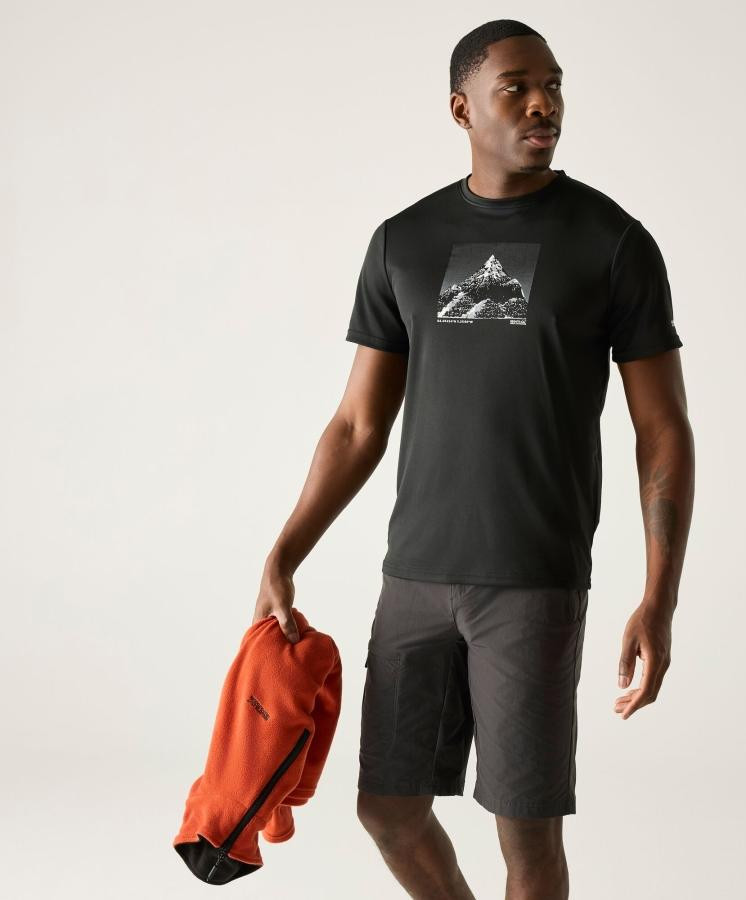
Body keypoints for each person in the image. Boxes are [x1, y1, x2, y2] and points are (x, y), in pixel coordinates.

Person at [253, 18, 695, 900]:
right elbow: (356, 425)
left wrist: (660, 597)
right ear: (462, 109)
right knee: (388, 809)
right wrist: (283, 553)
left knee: (526, 836)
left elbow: (664, 432)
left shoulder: (612, 243)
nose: (543, 104)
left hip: (531, 584)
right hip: (413, 579)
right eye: (516, 88)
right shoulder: (403, 242)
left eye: (554, 85)